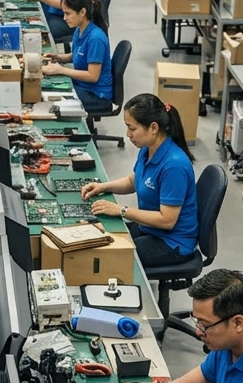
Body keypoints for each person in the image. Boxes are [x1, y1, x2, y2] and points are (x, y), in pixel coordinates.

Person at [82, 93, 198, 269]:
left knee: (107, 256)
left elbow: (167, 220)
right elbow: (134, 181)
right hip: (150, 229)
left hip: (171, 242)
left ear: (153, 128)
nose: (128, 134)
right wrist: (103, 187)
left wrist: (120, 210)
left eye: (132, 128)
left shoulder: (174, 165)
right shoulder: (148, 148)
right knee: (98, 234)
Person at [41, 0, 112, 110]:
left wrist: (61, 70)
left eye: (68, 13)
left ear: (82, 12)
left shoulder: (95, 38)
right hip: (82, 85)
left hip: (95, 94)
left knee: (50, 98)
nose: (64, 18)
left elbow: (92, 76)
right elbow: (78, 55)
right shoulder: (80, 29)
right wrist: (59, 58)